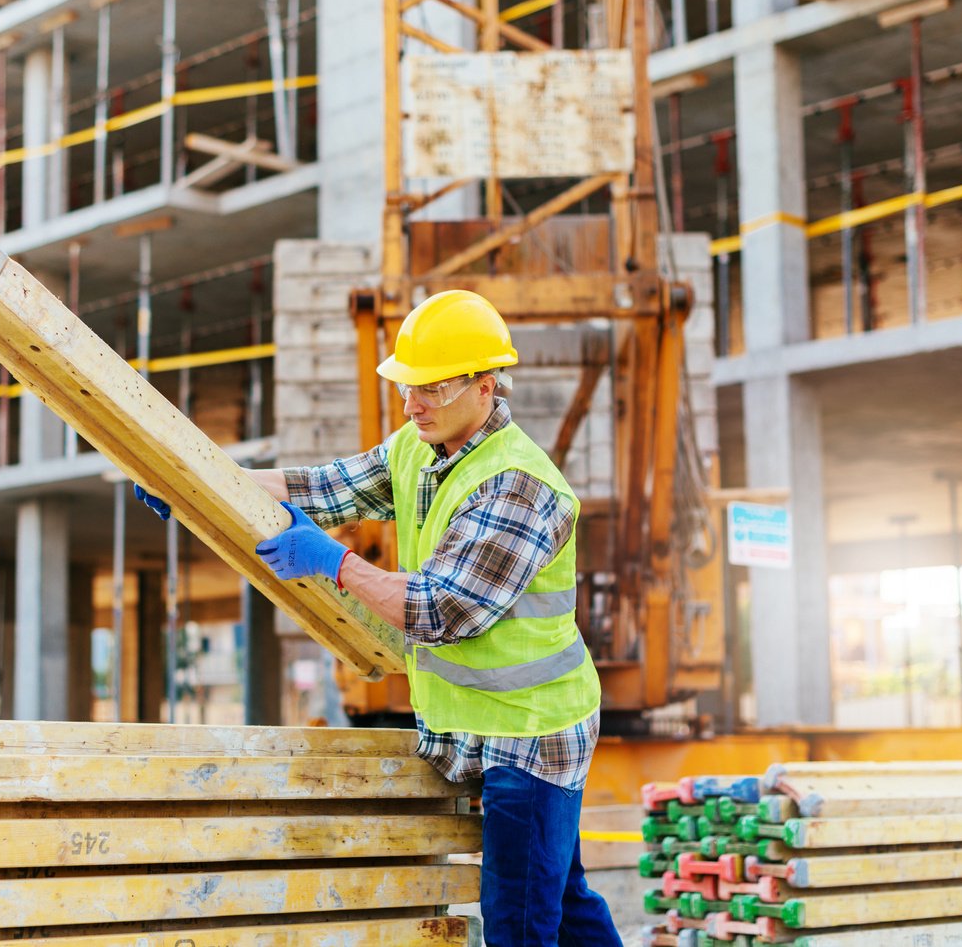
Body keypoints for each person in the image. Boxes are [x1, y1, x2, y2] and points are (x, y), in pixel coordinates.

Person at [137, 289, 622, 946]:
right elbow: (323, 487)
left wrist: (333, 562)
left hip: (533, 734)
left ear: (487, 386)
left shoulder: (519, 487)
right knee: (559, 894)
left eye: (434, 387)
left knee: (518, 920)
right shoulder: (418, 445)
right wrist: (196, 481)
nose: (413, 402)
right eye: (407, 386)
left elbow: (437, 608)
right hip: (483, 722)